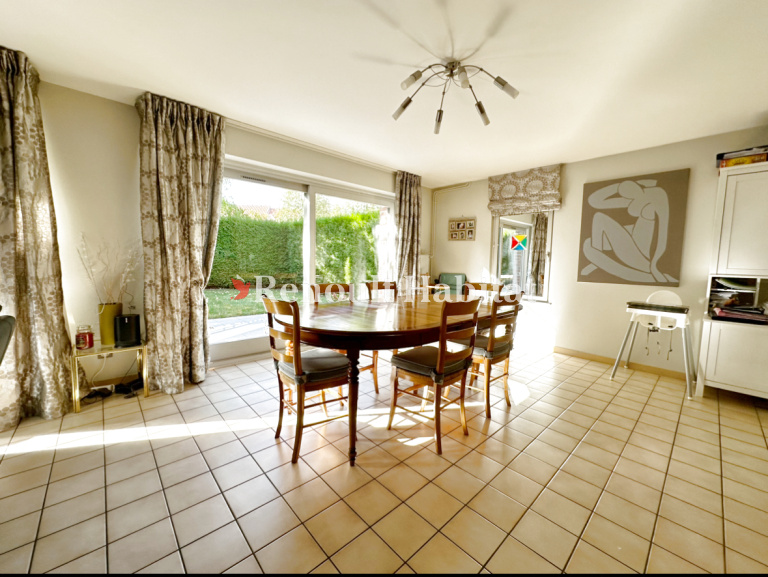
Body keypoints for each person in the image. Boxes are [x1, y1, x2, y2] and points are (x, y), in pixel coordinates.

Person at [581, 178, 675, 283]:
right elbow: (595, 201)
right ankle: (597, 259)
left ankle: (597, 259)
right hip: (632, 239)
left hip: (639, 251)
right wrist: (618, 186)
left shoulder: (658, 196)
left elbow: (662, 235)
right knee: (588, 243)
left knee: (599, 218)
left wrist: (654, 264)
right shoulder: (634, 198)